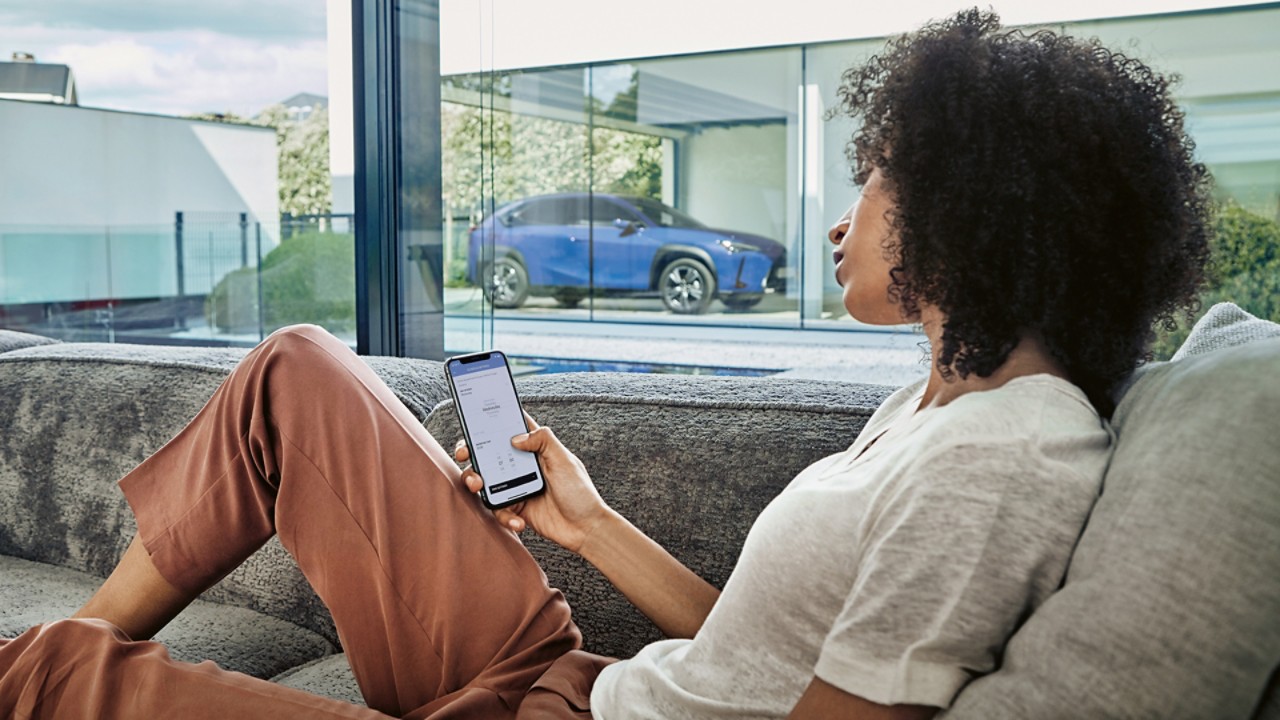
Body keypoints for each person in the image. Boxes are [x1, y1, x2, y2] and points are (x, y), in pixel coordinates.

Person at [0, 9, 1212, 719]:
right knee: (298, 366)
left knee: (52, 672)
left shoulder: (1003, 457)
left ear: (978, 205)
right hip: (574, 678)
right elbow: (754, 653)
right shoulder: (939, 403)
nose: (844, 221)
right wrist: (585, 524)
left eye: (875, 177)